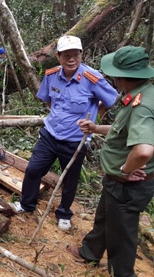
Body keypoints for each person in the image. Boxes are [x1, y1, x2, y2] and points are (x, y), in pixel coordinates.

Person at [12, 35, 118, 231]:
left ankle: (64, 213)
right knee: (34, 169)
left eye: (75, 55)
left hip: (75, 140)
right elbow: (47, 99)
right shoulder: (51, 75)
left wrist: (96, 113)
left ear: (81, 55)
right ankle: (27, 204)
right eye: (66, 55)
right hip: (50, 134)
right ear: (58, 56)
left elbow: (111, 100)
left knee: (69, 179)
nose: (71, 59)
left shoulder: (91, 78)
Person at [68, 46, 154, 277]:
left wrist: (125, 170)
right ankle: (90, 252)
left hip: (127, 184)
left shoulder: (142, 106)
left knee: (121, 238)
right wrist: (96, 128)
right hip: (116, 183)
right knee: (105, 218)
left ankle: (122, 274)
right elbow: (121, 130)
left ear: (122, 76)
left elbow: (144, 150)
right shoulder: (143, 94)